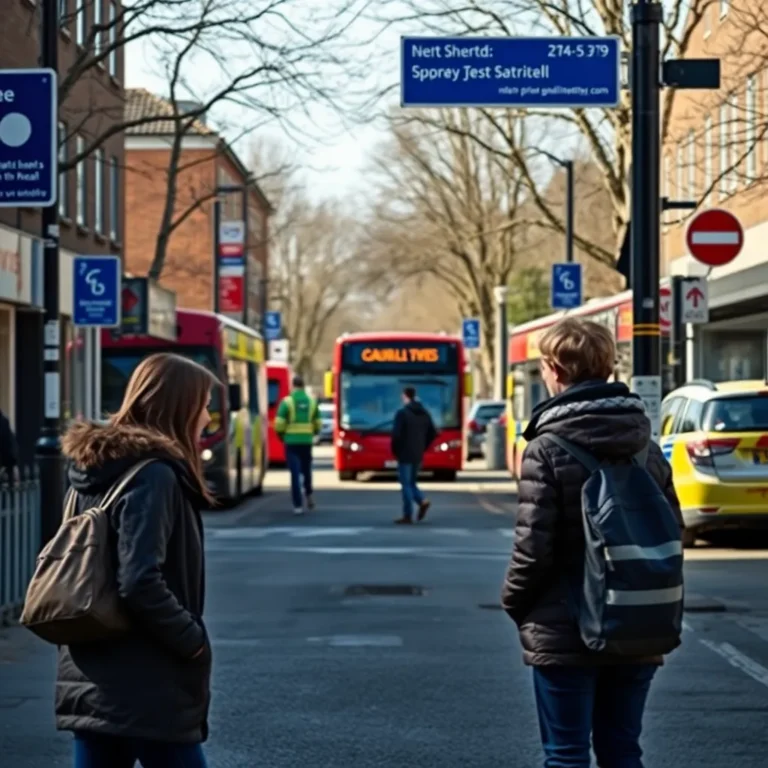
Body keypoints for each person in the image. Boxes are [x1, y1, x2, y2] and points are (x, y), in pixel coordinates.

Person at [501, 318, 683, 768]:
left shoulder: (546, 449)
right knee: (623, 750)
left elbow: (533, 548)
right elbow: (671, 531)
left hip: (563, 623)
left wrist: (515, 602)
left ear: (556, 370)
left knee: (566, 754)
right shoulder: (646, 446)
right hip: (636, 617)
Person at [57, 352, 218, 768]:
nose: (208, 417)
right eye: (202, 405)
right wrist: (192, 641)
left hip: (91, 666)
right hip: (147, 679)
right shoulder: (154, 476)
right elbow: (139, 580)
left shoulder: (93, 469)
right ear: (178, 407)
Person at [274, 375, 321, 516]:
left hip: (291, 442)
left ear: (292, 385)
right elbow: (318, 423)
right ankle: (309, 494)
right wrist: (312, 433)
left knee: (294, 474)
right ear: (303, 385)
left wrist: (282, 436)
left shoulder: (287, 402)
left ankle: (297, 505)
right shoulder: (312, 402)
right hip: (306, 442)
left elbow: (279, 424)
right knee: (307, 470)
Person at [391, 386, 438, 525]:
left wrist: (396, 451)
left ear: (405, 396)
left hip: (405, 453)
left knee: (405, 484)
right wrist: (423, 446)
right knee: (411, 482)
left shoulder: (402, 413)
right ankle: (422, 501)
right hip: (418, 453)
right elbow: (433, 433)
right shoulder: (424, 413)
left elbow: (396, 436)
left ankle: (408, 515)